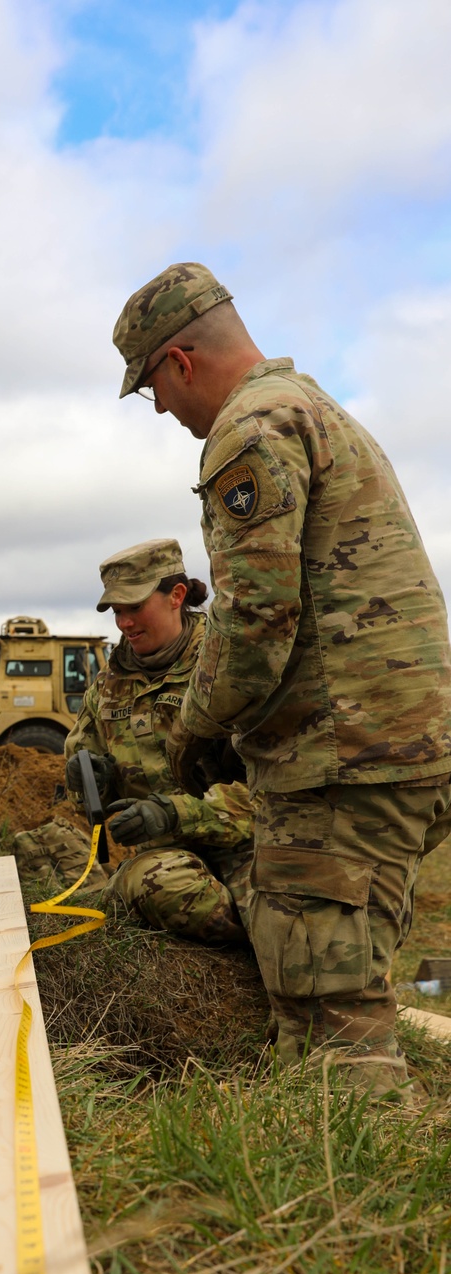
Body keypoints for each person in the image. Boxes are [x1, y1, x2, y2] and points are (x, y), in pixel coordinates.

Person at [112, 263, 451, 1096]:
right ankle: (308, 1171)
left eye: (153, 387)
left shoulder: (250, 429)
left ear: (181, 363)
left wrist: (195, 727)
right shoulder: (313, 409)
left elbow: (255, 619)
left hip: (345, 757)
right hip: (399, 746)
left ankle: (356, 1207)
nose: (160, 409)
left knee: (335, 1019)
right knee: (310, 985)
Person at [64, 537, 253, 946]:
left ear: (176, 595)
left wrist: (173, 812)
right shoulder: (105, 688)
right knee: (164, 886)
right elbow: (87, 789)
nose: (124, 623)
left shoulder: (230, 668)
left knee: (293, 928)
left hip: (246, 843)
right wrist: (88, 780)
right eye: (117, 611)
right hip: (165, 861)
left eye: (134, 607)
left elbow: (271, 791)